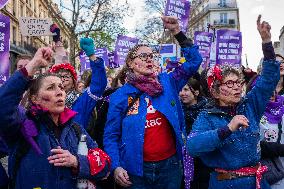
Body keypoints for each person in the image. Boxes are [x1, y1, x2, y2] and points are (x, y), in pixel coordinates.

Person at [104, 16, 202, 189]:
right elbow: (111, 135)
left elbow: (195, 61)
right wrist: (116, 166)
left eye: (151, 55)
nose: (149, 59)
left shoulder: (168, 82)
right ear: (130, 63)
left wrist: (177, 32)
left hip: (170, 167)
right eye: (143, 56)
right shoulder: (120, 96)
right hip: (136, 171)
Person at [187, 15, 279, 189]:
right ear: (214, 91)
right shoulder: (206, 116)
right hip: (226, 184)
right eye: (230, 83)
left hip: (257, 183)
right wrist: (227, 129)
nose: (237, 87)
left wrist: (267, 42)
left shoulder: (250, 104)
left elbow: (268, 80)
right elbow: (192, 147)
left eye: (239, 82)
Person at [0, 47, 110, 189]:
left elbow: (105, 164)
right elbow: (3, 105)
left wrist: (77, 162)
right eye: (51, 88)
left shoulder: (75, 129)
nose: (59, 92)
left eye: (61, 87)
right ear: (34, 98)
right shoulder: (21, 125)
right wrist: (33, 64)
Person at [49, 37, 107, 130]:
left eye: (66, 76)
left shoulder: (82, 101)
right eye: (59, 76)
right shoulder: (47, 100)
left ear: (73, 82)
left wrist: (92, 56)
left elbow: (99, 85)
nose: (62, 79)